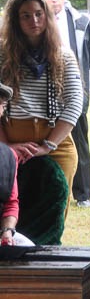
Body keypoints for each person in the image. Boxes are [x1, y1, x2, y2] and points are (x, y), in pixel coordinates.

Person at [0, 0, 83, 221]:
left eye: (39, 14)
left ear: (47, 15)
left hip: (57, 146)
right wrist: (5, 147)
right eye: (25, 16)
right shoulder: (2, 55)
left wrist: (48, 145)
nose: (34, 21)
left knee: (53, 216)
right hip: (9, 142)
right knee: (10, 213)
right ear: (15, 20)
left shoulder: (63, 56)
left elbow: (75, 103)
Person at [37, 0, 90, 208]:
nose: (54, 0)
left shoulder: (81, 22)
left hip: (72, 89)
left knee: (79, 141)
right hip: (41, 93)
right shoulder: (33, 20)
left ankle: (83, 194)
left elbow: (88, 53)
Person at [0, 80, 34, 247]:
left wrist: (7, 231)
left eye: (1, 105)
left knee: (30, 250)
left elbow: (10, 203)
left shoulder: (8, 156)